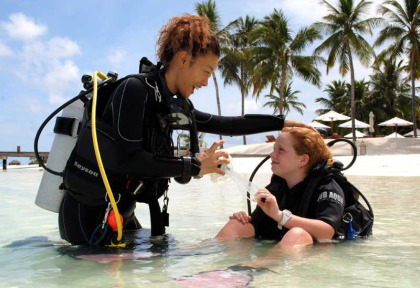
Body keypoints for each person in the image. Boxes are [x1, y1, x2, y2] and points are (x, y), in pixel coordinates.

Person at [58, 15, 314, 246]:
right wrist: (194, 166)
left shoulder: (171, 104)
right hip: (87, 216)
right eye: (206, 72)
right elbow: (128, 159)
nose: (205, 82)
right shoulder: (134, 90)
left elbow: (226, 124)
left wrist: (280, 122)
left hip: (119, 211)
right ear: (183, 60)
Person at [216, 127, 345, 246]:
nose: (272, 155)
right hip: (286, 250)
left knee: (298, 234)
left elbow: (327, 232)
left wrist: (280, 216)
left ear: (303, 160)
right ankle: (201, 257)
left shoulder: (328, 187)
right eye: (274, 149)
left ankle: (254, 269)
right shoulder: (276, 188)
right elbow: (256, 225)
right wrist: (244, 219)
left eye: (281, 150)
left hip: (320, 250)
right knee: (238, 225)